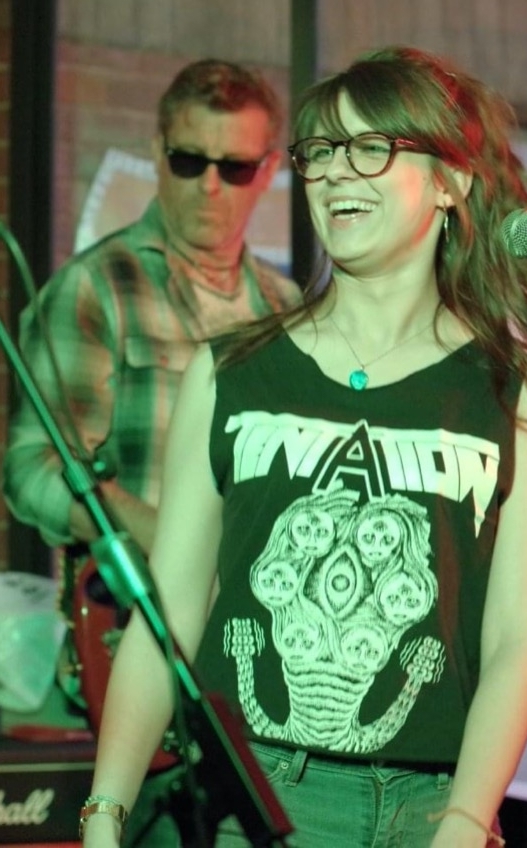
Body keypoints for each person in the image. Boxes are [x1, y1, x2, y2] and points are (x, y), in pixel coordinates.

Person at [80, 47, 527, 848]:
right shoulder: (232, 373)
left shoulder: (511, 391)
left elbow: (515, 642)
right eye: (321, 151)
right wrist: (105, 814)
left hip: (434, 808)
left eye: (370, 148)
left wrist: (467, 820)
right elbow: (169, 616)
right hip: (256, 801)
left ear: (449, 182)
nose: (336, 172)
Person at [2, 58, 299, 842]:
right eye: (189, 161)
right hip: (138, 653)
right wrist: (163, 537)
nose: (210, 186)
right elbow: (30, 471)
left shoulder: (289, 311)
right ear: (159, 150)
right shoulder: (97, 287)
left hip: (265, 668)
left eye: (235, 167)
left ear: (269, 171)